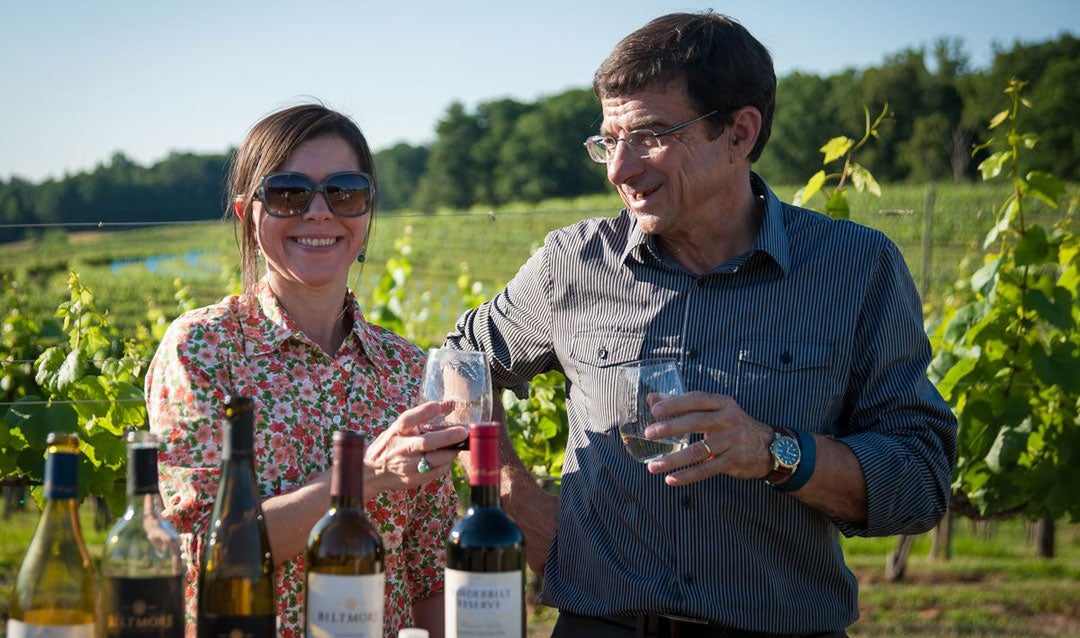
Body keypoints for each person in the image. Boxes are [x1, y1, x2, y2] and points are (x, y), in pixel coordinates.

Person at [444, 11, 957, 637]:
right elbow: (461, 360)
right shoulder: (573, 264)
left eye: (651, 134)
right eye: (609, 140)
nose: (620, 169)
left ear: (739, 133)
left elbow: (920, 480)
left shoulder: (857, 270)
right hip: (601, 626)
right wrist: (518, 503)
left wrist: (774, 451)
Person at [145, 103, 467, 638]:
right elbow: (201, 550)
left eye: (345, 192)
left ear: (366, 211)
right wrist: (365, 474)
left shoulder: (407, 369)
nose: (319, 212)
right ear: (247, 214)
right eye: (288, 192)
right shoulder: (203, 350)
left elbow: (429, 571)